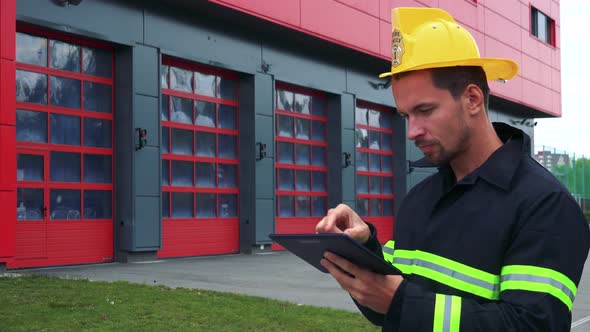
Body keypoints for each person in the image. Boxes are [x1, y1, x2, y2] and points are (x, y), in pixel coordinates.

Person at [315, 7, 590, 331]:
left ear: (472, 99)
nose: (412, 130)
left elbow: (531, 325)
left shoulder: (545, 205)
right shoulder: (419, 199)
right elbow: (388, 310)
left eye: (425, 110)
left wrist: (399, 301)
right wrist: (365, 248)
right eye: (406, 116)